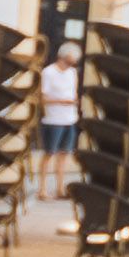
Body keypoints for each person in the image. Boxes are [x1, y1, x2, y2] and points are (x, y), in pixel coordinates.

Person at [36, 40, 83, 200]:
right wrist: (61, 102)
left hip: (69, 119)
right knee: (49, 154)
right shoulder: (48, 72)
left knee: (64, 155)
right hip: (53, 119)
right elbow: (43, 98)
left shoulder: (72, 73)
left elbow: (73, 92)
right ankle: (42, 189)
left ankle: (60, 188)